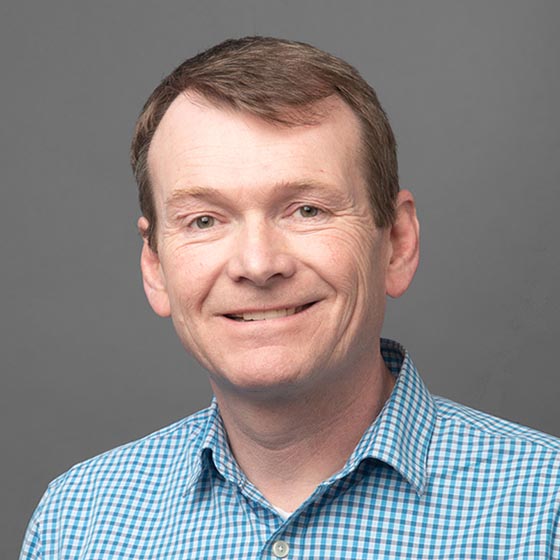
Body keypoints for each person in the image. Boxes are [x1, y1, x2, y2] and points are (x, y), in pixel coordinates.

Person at [21, 36, 560, 559]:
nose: (258, 264)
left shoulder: (546, 508)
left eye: (307, 210)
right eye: (204, 220)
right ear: (156, 267)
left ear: (397, 243)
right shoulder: (78, 521)